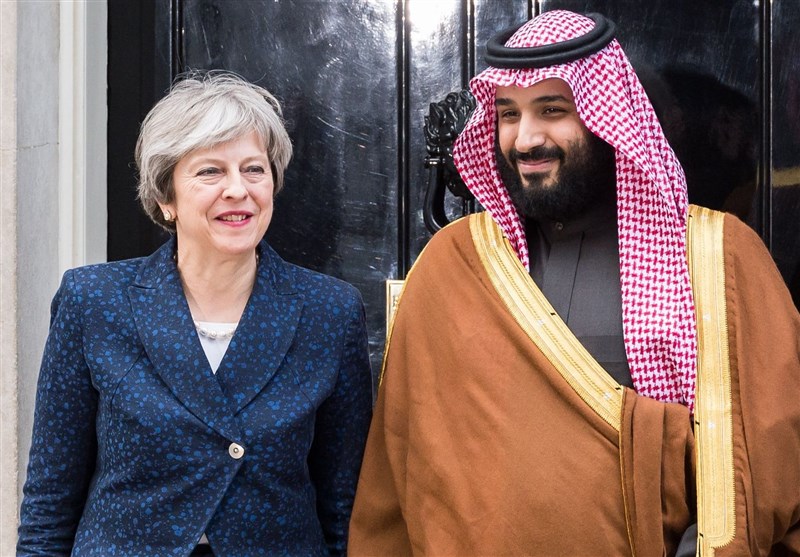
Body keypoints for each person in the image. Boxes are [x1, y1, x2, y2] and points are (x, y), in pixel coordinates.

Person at [349, 10, 800, 556]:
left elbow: (759, 462)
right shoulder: (453, 263)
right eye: (508, 114)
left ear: (606, 117)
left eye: (552, 110)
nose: (526, 139)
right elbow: (401, 472)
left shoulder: (716, 257)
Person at [17, 71, 373, 556]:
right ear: (165, 198)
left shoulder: (329, 311)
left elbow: (345, 502)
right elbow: (50, 499)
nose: (237, 189)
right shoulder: (93, 301)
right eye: (210, 172)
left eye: (254, 169)